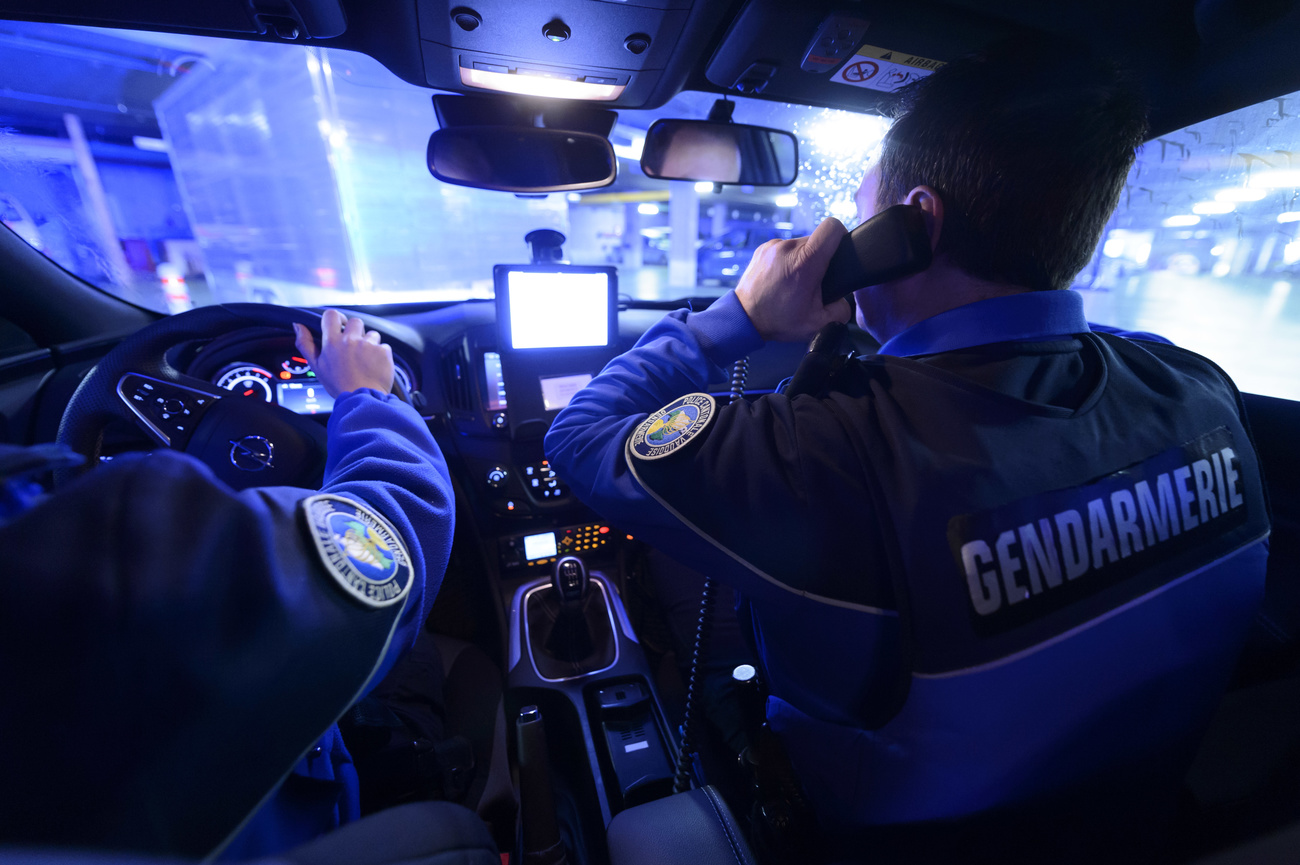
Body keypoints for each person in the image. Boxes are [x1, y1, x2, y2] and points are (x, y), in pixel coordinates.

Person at [544, 42, 1271, 862]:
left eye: (861, 215)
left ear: (914, 227)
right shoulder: (1200, 387)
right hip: (1131, 819)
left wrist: (742, 313)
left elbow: (577, 435)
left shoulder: (832, 452)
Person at [0, 309, 455, 861]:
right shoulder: (109, 563)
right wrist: (364, 395)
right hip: (289, 822)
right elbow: (396, 540)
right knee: (418, 660)